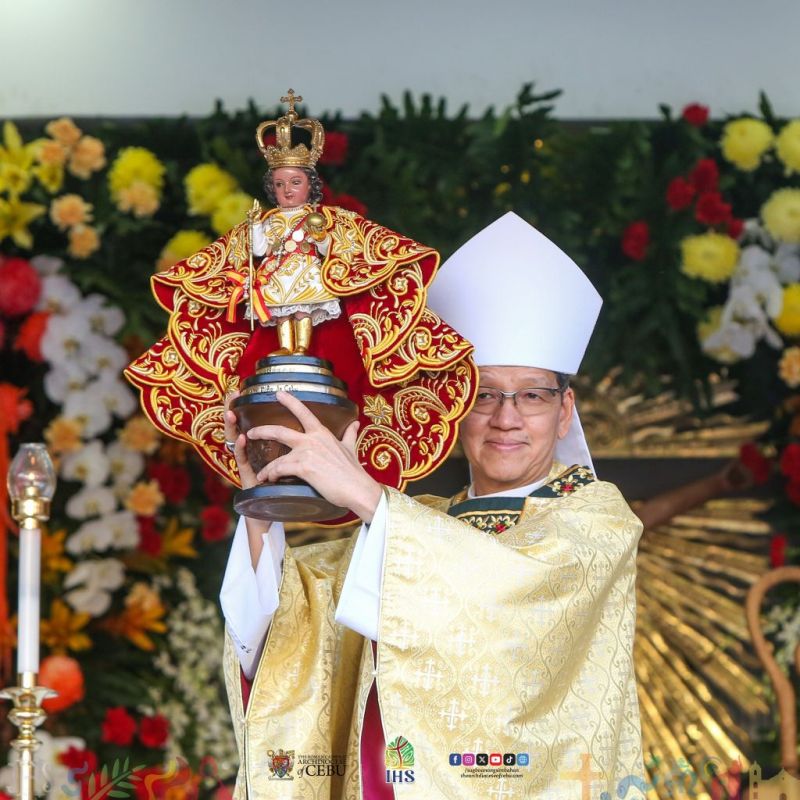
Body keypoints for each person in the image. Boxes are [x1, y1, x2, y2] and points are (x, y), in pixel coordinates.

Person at [220, 212, 645, 799]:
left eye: (533, 396)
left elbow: (506, 597)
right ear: (456, 403)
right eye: (486, 393)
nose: (506, 417)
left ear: (566, 409)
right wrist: (262, 505)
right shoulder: (417, 523)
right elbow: (289, 628)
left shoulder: (596, 519)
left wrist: (362, 492)